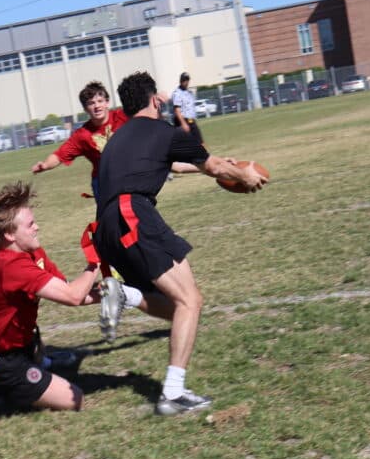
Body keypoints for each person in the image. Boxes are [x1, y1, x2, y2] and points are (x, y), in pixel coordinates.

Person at [93, 71, 267, 415]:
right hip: (133, 214)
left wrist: (223, 165)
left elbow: (173, 163)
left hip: (107, 228)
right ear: (155, 101)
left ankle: (124, 294)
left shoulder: (119, 138)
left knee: (175, 307)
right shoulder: (164, 131)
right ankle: (172, 393)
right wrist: (243, 174)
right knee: (191, 300)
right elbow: (211, 165)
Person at [0, 181, 101, 411]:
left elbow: (71, 291)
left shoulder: (33, 253)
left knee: (40, 359)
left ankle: (36, 361)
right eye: (30, 224)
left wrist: (108, 292)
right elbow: (74, 296)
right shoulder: (11, 267)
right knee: (75, 399)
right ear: (9, 234)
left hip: (19, 344)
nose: (37, 227)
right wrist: (96, 260)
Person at [31, 81, 197, 205]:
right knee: (112, 222)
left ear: (107, 103)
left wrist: (155, 97)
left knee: (169, 165)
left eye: (100, 101)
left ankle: (210, 165)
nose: (97, 106)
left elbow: (143, 109)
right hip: (105, 182)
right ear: (85, 108)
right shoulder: (82, 135)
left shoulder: (122, 115)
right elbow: (60, 155)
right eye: (91, 103)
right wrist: (45, 165)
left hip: (132, 173)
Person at [172, 72, 203, 144]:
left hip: (191, 120)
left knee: (200, 142)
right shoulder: (177, 93)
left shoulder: (189, 93)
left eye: (187, 80)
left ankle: (200, 155)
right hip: (183, 121)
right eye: (184, 80)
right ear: (181, 81)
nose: (186, 82)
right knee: (186, 144)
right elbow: (177, 110)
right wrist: (183, 124)